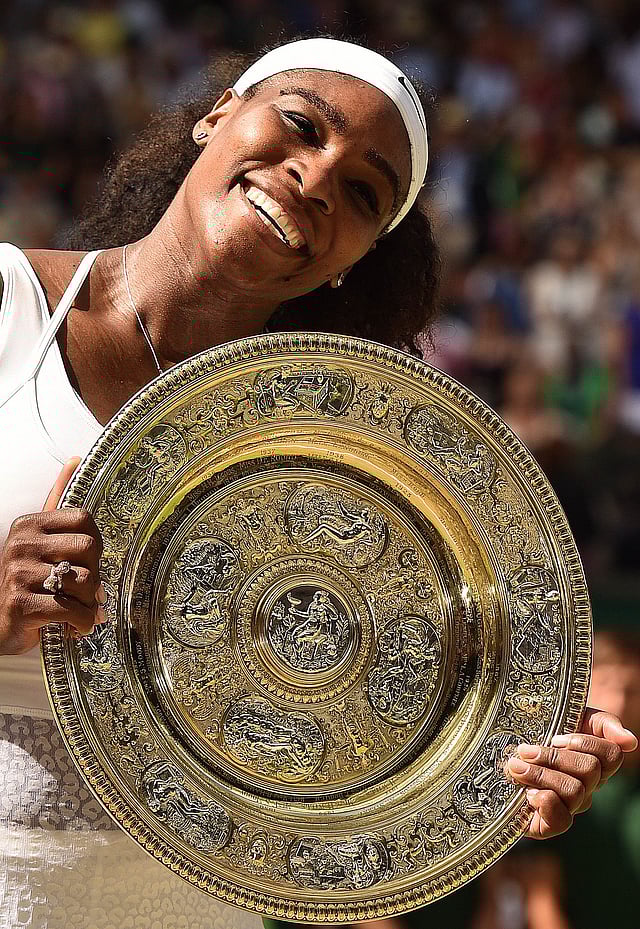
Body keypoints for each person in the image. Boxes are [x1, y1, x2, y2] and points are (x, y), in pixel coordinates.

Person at [0, 36, 635, 929]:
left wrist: (522, 766)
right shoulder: (6, 304)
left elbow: (381, 716)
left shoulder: (344, 451)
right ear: (216, 115)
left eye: (363, 192)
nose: (316, 176)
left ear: (353, 256)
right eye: (301, 125)